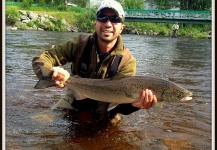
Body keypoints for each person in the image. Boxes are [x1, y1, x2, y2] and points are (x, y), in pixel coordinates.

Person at [32, 0, 157, 125]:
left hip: (106, 111)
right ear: (95, 23)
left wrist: (135, 105)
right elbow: (44, 58)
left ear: (121, 28)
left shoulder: (127, 61)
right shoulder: (79, 44)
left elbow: (121, 106)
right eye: (102, 17)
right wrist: (53, 72)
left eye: (115, 19)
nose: (108, 24)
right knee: (39, 123)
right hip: (74, 101)